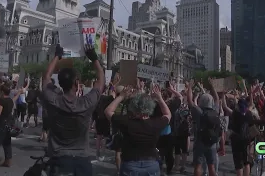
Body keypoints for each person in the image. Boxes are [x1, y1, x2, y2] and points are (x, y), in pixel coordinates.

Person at [42, 44, 104, 176]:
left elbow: (46, 77)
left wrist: (57, 56)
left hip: (59, 160)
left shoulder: (53, 100)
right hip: (82, 162)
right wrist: (94, 58)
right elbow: (101, 81)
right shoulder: (86, 103)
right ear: (77, 83)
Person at [104, 85, 171, 176]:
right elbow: (167, 114)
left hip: (130, 163)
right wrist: (159, 98)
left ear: (133, 107)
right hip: (151, 164)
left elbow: (108, 111)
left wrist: (121, 96)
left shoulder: (127, 122)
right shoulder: (156, 123)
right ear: (150, 107)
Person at [0, 84, 22, 170]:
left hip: (1, 124)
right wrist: (19, 93)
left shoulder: (2, 101)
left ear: (2, 92)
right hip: (9, 124)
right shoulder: (10, 100)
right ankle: (8, 161)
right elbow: (14, 99)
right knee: (7, 143)